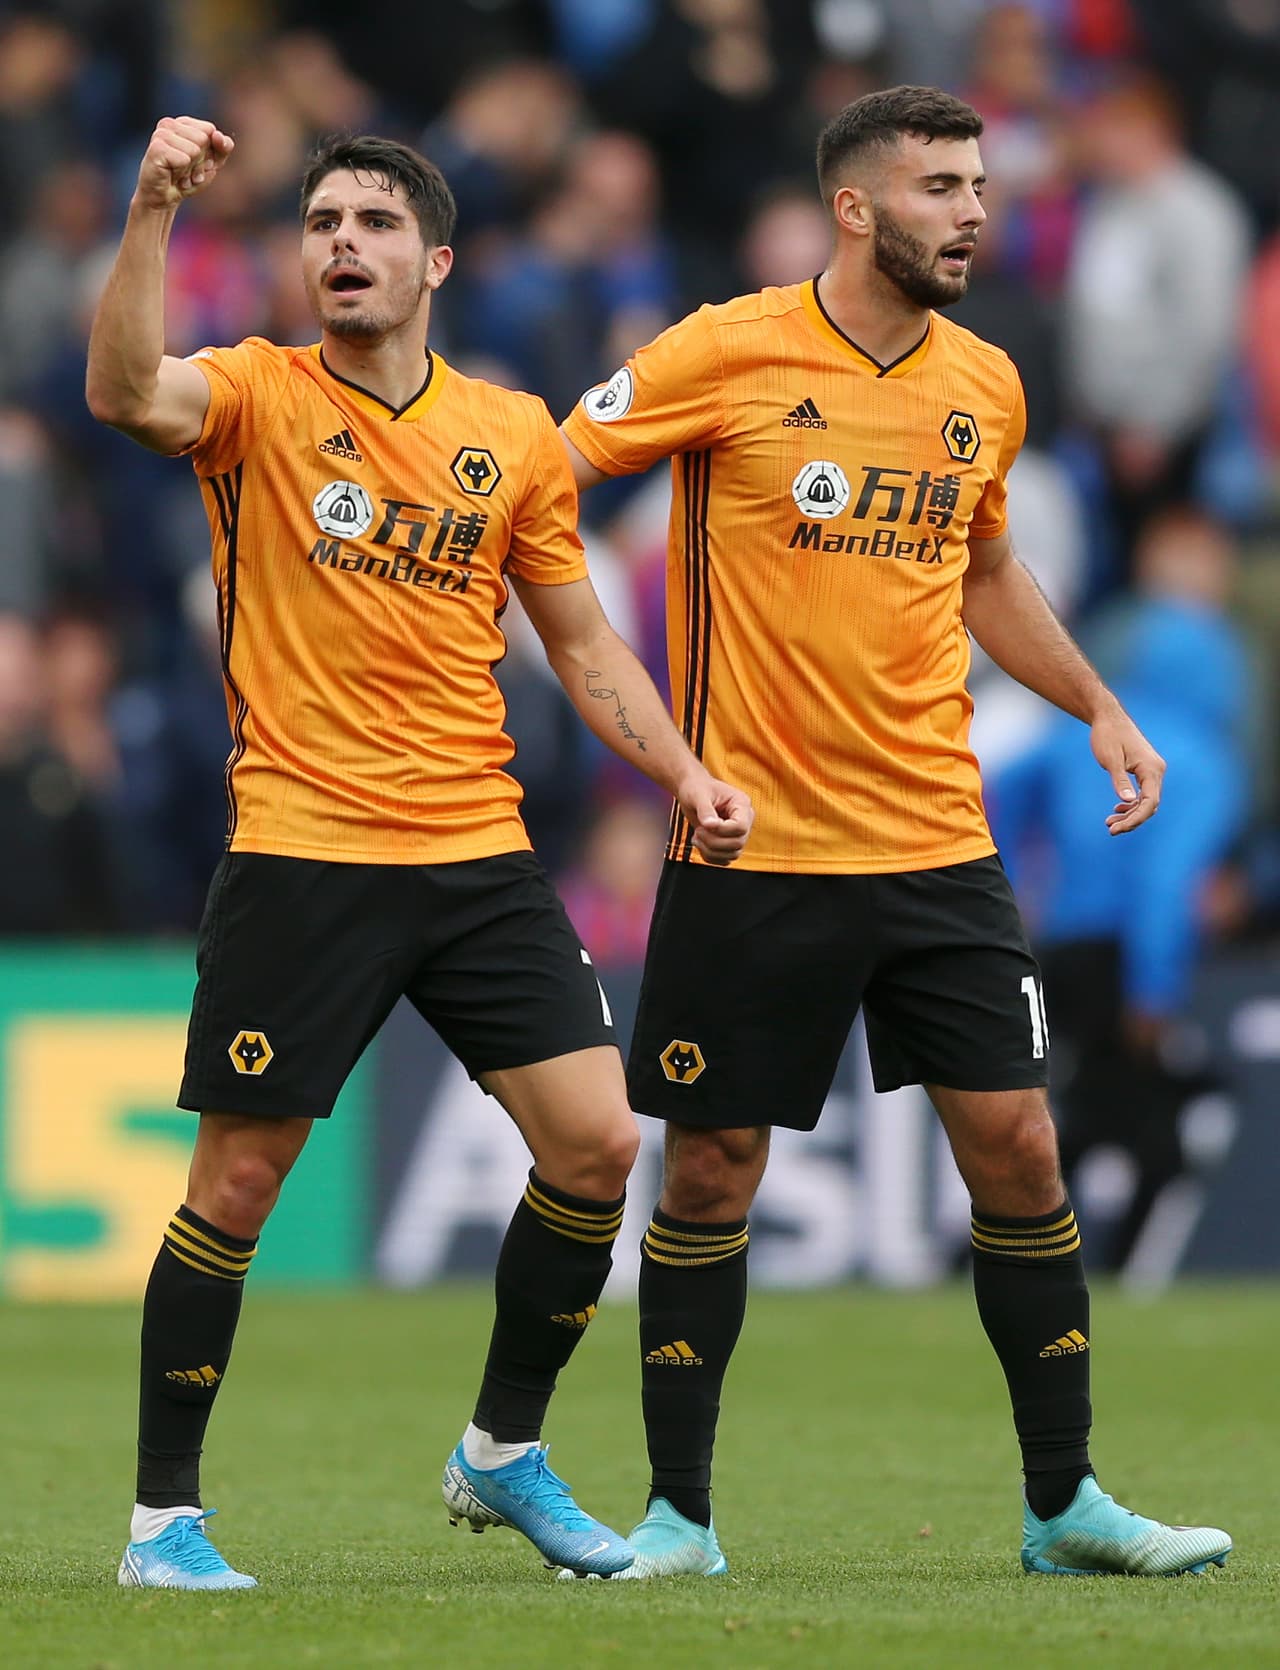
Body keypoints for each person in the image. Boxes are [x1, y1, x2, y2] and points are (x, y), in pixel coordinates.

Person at [558, 84, 1231, 1579]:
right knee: (713, 1171)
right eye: (940, 187)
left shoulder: (986, 382)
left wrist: (1098, 704)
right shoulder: (724, 349)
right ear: (856, 208)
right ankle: (679, 1518)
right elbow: (545, 485)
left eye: (980, 185)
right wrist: (632, 720)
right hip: (753, 847)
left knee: (1023, 1149)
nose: (974, 211)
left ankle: (1065, 1504)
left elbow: (985, 571)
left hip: (936, 842)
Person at [86, 116, 752, 1592]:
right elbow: (124, 389)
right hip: (305, 848)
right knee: (237, 1187)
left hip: (476, 854)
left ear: (436, 261)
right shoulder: (255, 395)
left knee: (598, 1144)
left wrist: (684, 771)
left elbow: (582, 643)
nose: (343, 243)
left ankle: (502, 1449)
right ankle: (162, 1524)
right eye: (323, 221)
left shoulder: (509, 433)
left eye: (375, 223)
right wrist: (151, 212)